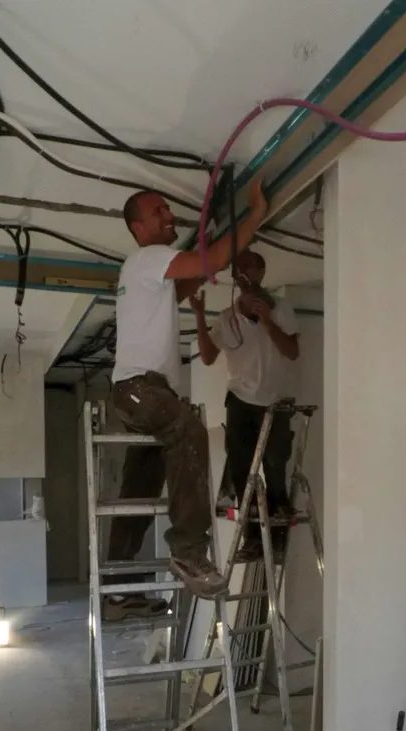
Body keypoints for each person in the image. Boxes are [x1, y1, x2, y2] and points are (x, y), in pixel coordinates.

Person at [103, 182, 268, 621]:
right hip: (141, 389)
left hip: (141, 393)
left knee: (138, 492)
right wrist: (253, 214)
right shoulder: (148, 257)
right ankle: (190, 552)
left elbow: (184, 284)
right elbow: (213, 262)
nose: (168, 215)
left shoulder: (144, 271)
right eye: (157, 212)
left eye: (167, 208)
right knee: (189, 431)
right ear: (138, 228)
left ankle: (116, 594)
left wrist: (206, 250)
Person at [190, 249, 299, 563]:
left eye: (249, 266)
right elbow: (207, 357)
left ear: (262, 272)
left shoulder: (281, 309)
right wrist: (199, 315)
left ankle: (277, 542)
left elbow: (292, 352)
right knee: (241, 469)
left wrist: (267, 321)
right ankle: (251, 540)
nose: (242, 272)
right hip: (240, 400)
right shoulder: (227, 318)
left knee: (275, 465)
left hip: (275, 401)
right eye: (238, 267)